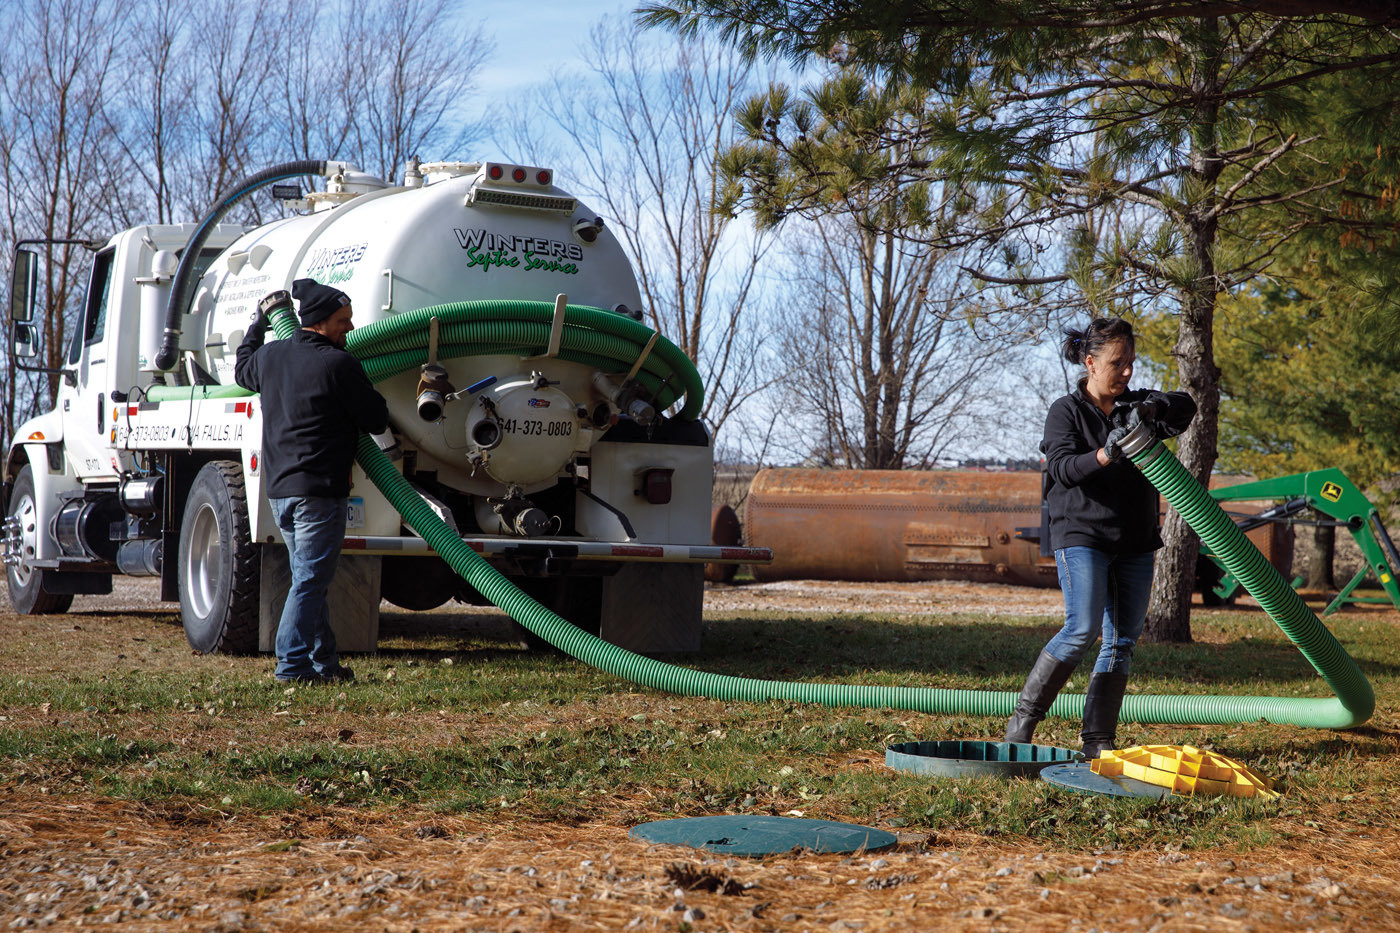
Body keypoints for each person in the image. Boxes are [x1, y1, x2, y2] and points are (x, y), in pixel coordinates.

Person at [1005, 317, 1196, 758]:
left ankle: (1097, 741)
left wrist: (1155, 408)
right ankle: (1022, 724)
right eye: (1117, 363)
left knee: (1122, 641)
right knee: (1082, 629)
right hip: (1082, 534)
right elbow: (1062, 469)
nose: (1126, 371)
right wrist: (1107, 453)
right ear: (1090, 363)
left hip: (1134, 539)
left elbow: (1186, 408)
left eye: (1131, 362)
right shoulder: (1065, 411)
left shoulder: (1135, 406)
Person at [235, 278, 389, 684]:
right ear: (320, 321)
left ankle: (325, 664)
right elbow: (376, 418)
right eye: (343, 321)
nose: (350, 327)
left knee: (309, 579)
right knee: (309, 581)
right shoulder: (338, 365)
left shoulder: (271, 357)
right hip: (318, 493)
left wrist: (257, 326)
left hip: (280, 493)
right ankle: (291, 666)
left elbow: (242, 367)